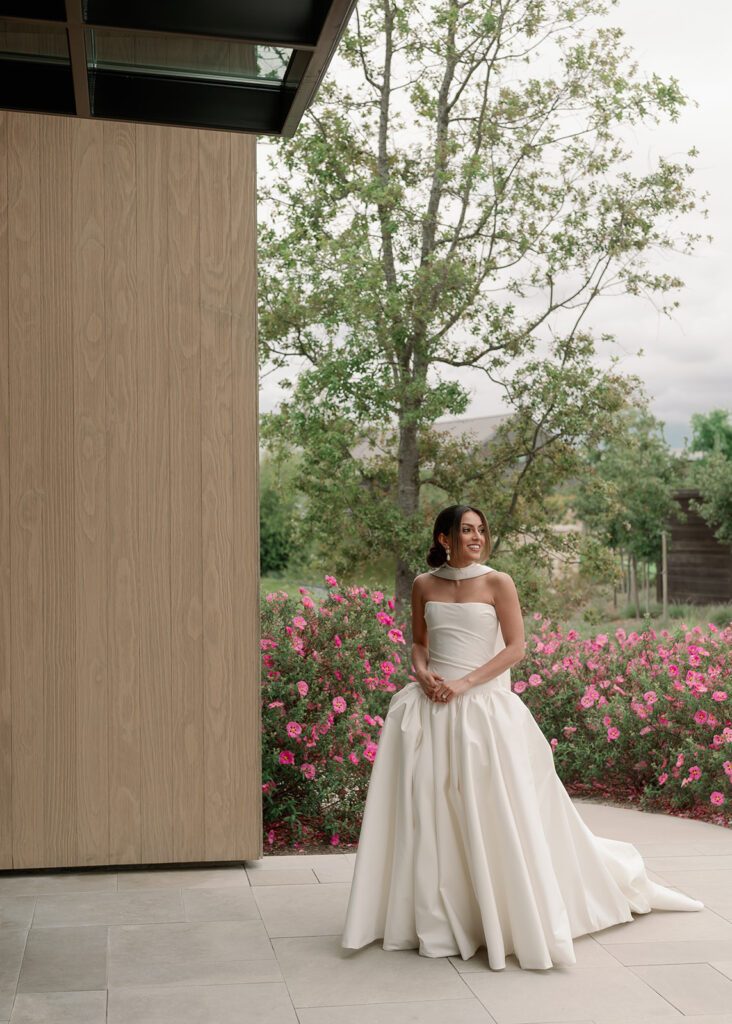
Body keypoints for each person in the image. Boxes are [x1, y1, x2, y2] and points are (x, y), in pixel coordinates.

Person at [342, 504, 702, 970]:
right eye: (465, 530)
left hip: (483, 711)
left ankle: (506, 912)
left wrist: (464, 685)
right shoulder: (423, 585)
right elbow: (419, 641)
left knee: (492, 808)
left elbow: (516, 647)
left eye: (480, 530)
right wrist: (423, 672)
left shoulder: (498, 582)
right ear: (444, 538)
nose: (476, 537)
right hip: (431, 707)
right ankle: (444, 916)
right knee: (432, 810)